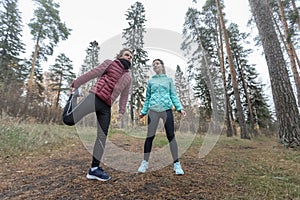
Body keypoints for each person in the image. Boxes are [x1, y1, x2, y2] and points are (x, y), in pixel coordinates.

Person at [62, 48, 133, 181]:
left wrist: (121, 111)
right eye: (127, 55)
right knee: (69, 120)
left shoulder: (128, 76)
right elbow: (92, 74)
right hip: (95, 98)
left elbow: (125, 95)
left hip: (106, 106)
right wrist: (76, 84)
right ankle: (73, 97)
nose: (129, 57)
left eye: (131, 57)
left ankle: (94, 169)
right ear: (120, 55)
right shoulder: (110, 63)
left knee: (102, 136)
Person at [138, 58, 186, 175]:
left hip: (166, 110)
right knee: (150, 137)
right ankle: (144, 163)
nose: (155, 66)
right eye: (153, 64)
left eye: (157, 63)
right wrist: (144, 112)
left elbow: (173, 95)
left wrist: (180, 108)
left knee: (171, 136)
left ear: (162, 66)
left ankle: (177, 164)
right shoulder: (150, 82)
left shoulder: (169, 80)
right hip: (153, 110)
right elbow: (148, 98)